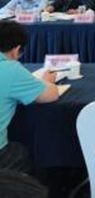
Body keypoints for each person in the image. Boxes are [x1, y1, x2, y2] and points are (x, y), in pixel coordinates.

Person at [0, 22, 59, 173]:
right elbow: (51, 95)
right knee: (25, 152)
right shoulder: (10, 69)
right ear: (16, 50)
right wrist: (47, 81)